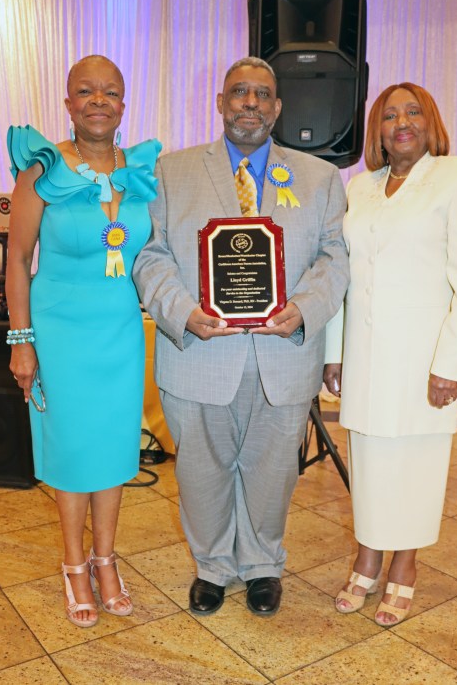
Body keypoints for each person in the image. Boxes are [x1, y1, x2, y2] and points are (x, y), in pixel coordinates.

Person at [134, 56, 349, 617]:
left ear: (277, 108)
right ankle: (212, 566)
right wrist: (182, 311)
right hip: (200, 351)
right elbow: (150, 256)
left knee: (273, 469)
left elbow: (335, 257)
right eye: (238, 92)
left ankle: (261, 565)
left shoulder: (319, 177)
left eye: (261, 94)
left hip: (283, 355)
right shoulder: (169, 172)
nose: (249, 102)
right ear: (220, 102)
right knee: (201, 469)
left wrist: (304, 308)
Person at [324, 82, 457, 626]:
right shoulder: (360, 186)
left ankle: (405, 567)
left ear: (430, 120)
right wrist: (335, 351)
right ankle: (367, 557)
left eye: (413, 111)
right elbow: (343, 275)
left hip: (424, 357)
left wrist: (451, 364)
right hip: (366, 353)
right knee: (370, 461)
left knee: (415, 461)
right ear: (377, 130)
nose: (402, 122)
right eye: (390, 114)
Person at [5, 55, 161, 628]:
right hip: (58, 328)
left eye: (110, 93)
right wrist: (22, 340)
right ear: (68, 103)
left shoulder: (141, 170)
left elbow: (156, 251)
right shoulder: (42, 170)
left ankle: (106, 560)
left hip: (118, 327)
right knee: (72, 449)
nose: (99, 101)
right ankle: (75, 566)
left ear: (124, 104)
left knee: (115, 447)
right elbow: (18, 261)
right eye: (86, 92)